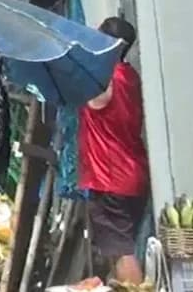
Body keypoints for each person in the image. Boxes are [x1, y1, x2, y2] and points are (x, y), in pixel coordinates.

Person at [80, 17, 149, 285]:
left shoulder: (104, 80)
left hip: (110, 178)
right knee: (117, 247)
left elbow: (91, 101)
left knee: (122, 251)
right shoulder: (130, 75)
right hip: (132, 173)